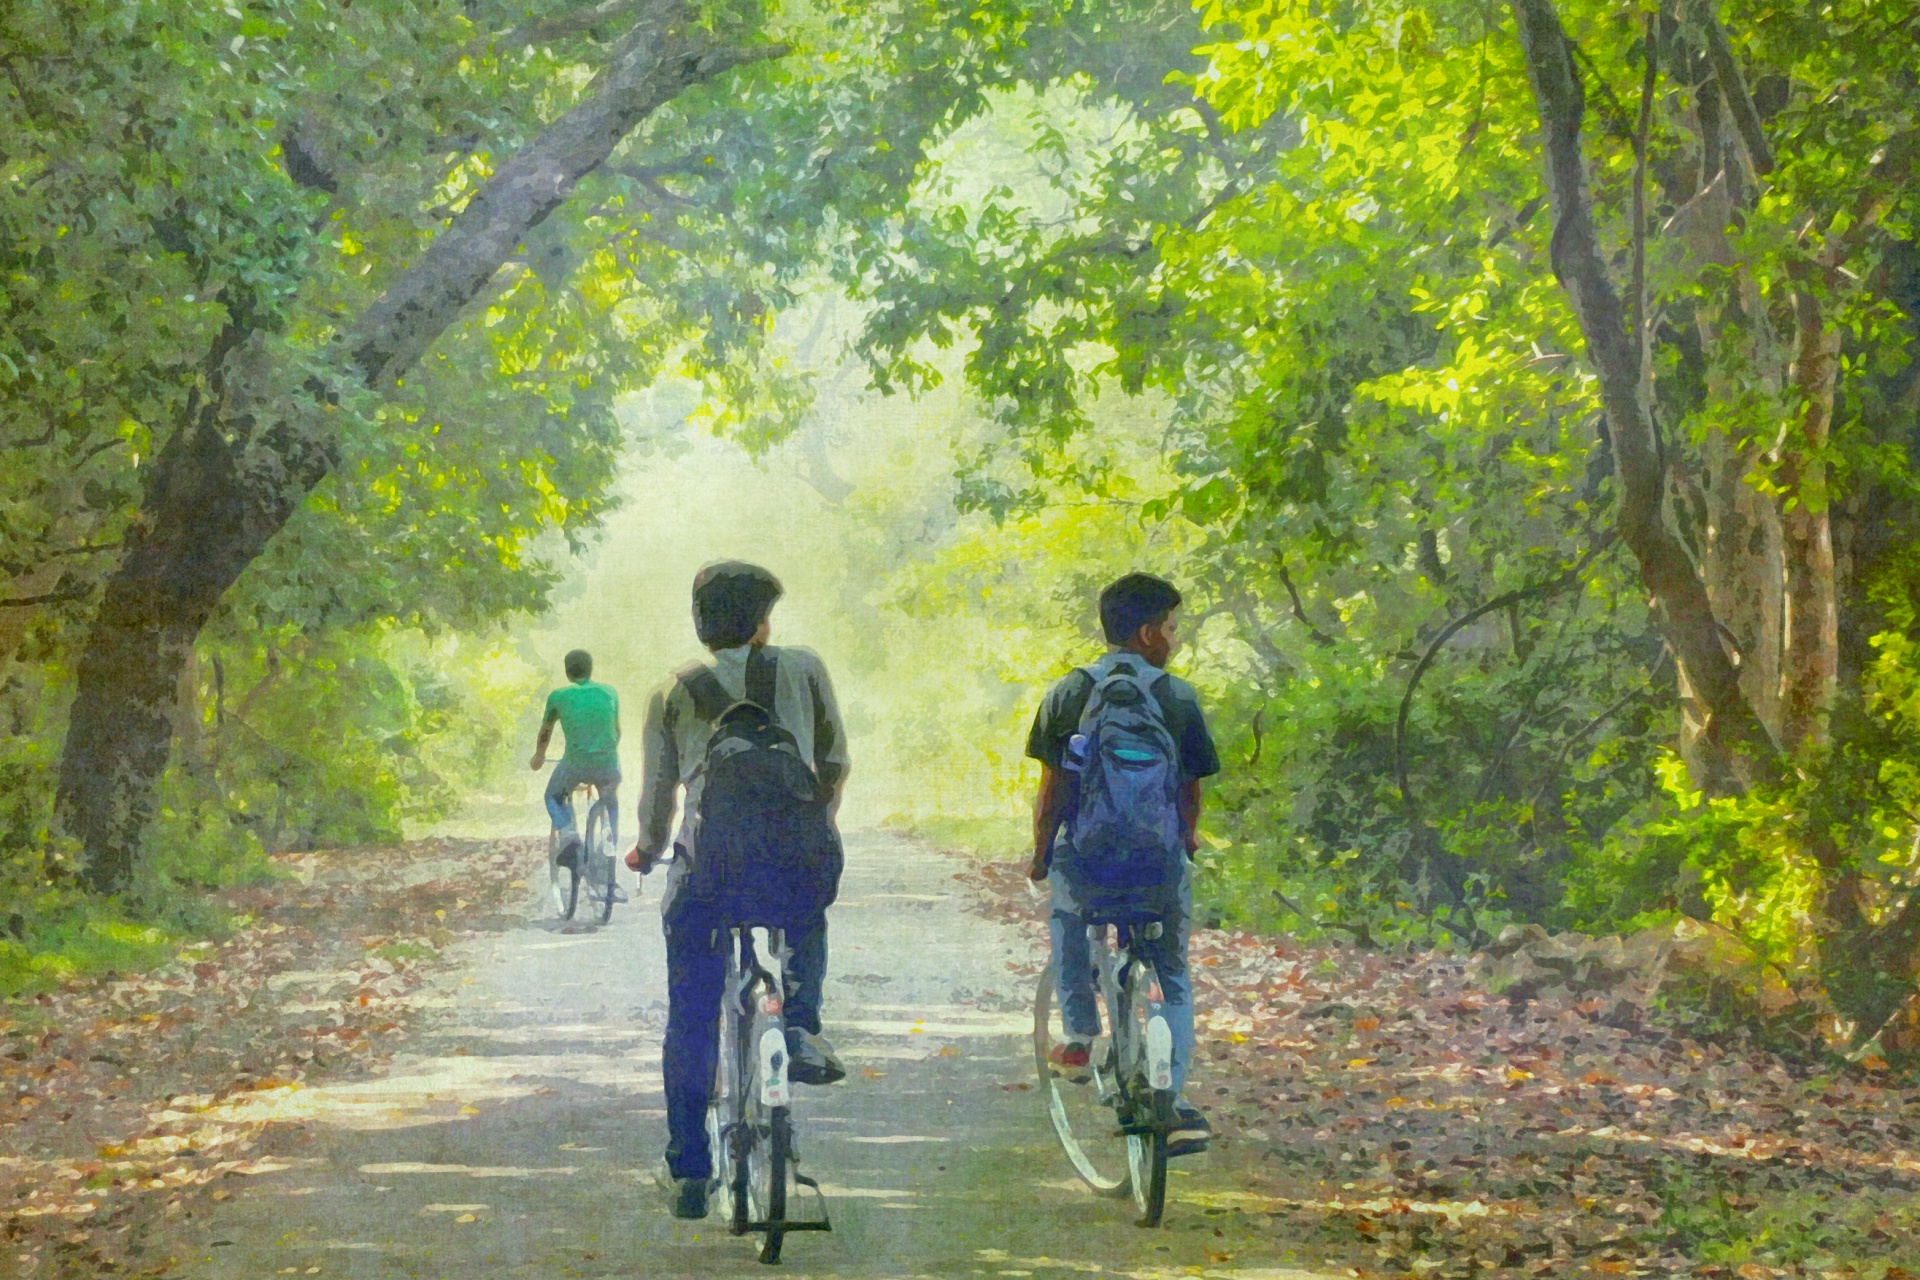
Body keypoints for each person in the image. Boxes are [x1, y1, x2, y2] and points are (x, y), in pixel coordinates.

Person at [629, 561, 850, 1219]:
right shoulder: (804, 669)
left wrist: (646, 847)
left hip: (709, 875)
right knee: (808, 908)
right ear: (762, 625)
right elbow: (834, 760)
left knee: (691, 1017)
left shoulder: (673, 691)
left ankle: (689, 1171)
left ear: (700, 626)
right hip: (792, 869)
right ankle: (803, 1022)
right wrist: (815, 820)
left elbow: (658, 798)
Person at [1026, 572, 1220, 1157]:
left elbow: (1053, 789)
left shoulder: (1068, 692)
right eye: (1170, 627)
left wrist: (1040, 855)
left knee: (1070, 920)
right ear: (1146, 633)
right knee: (1172, 973)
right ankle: (1174, 1100)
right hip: (1155, 866)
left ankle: (1081, 1037)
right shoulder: (1176, 696)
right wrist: (1183, 843)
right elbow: (1189, 791)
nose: (1174, 639)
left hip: (1088, 861)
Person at [530, 649, 624, 902]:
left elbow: (545, 732)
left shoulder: (559, 696)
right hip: (608, 763)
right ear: (591, 669)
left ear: (567, 671)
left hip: (575, 764)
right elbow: (616, 731)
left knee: (553, 795)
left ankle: (569, 835)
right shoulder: (609, 692)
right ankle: (609, 842)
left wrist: (539, 757)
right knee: (610, 798)